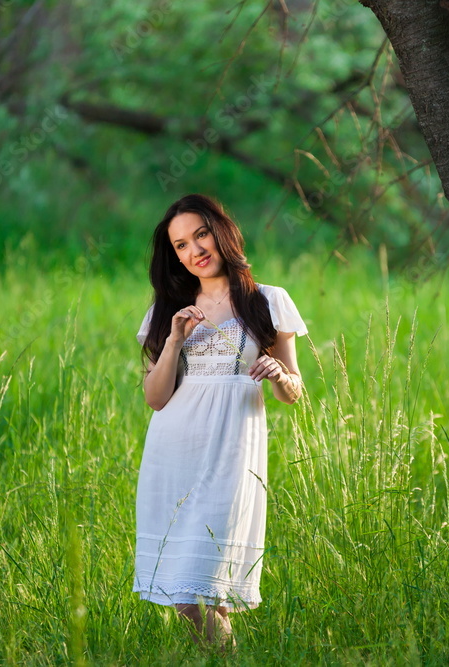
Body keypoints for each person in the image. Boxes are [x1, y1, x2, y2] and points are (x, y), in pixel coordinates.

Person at [133, 193, 308, 648]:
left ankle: (226, 656)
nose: (195, 250)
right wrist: (174, 340)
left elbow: (294, 392)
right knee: (183, 594)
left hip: (233, 450)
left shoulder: (268, 301)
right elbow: (155, 399)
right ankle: (219, 655)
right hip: (173, 451)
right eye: (181, 245)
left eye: (201, 234)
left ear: (221, 231)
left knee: (214, 582)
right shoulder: (167, 310)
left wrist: (280, 375)